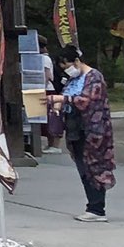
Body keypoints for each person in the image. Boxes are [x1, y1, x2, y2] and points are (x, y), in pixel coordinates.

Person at [47, 46, 114, 222]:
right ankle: (93, 207)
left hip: (93, 131)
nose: (67, 69)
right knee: (83, 169)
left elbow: (89, 101)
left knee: (94, 168)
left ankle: (97, 209)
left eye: (67, 65)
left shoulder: (94, 77)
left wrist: (62, 99)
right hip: (76, 129)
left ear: (77, 61)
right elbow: (68, 96)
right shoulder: (72, 80)